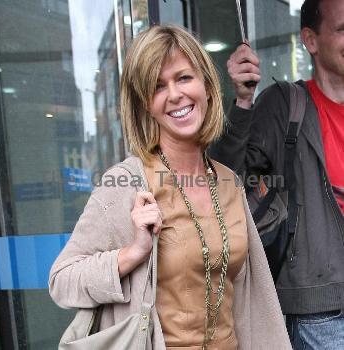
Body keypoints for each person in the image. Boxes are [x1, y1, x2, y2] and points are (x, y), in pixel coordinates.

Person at [49, 25, 291, 349]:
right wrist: (132, 253)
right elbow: (62, 281)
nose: (175, 94)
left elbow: (249, 299)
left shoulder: (229, 182)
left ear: (206, 85)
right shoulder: (126, 183)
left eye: (183, 78)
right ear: (145, 105)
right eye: (157, 86)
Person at [209, 0, 344, 349]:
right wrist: (242, 101)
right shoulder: (286, 104)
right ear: (310, 40)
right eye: (343, 30)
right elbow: (228, 178)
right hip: (320, 309)